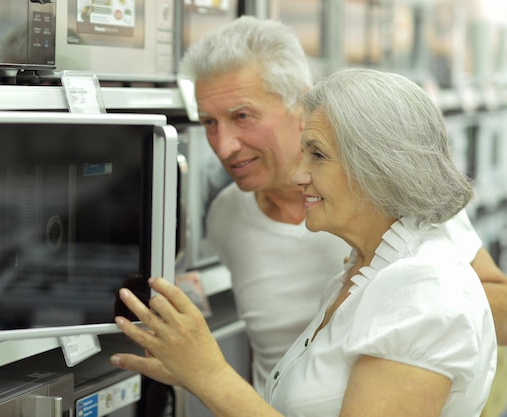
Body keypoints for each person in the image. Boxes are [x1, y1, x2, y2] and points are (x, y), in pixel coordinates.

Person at [110, 67, 497, 417]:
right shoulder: (362, 272)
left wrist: (209, 373)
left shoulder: (421, 290)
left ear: (378, 168)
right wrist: (193, 371)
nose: (298, 175)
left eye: (317, 155)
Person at [176, 15, 507, 396]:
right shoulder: (226, 217)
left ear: (299, 104)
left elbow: (473, 312)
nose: (222, 146)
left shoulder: (394, 202)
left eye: (242, 117)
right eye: (208, 123)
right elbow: (268, 352)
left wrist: (401, 320)